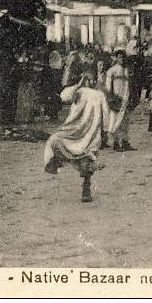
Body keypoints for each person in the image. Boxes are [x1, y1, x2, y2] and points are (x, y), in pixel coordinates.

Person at [43, 66, 110, 203]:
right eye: (87, 79)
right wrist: (79, 84)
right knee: (55, 139)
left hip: (90, 132)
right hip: (74, 130)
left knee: (88, 158)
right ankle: (55, 160)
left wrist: (105, 130)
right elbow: (64, 97)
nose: (90, 82)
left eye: (92, 79)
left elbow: (105, 113)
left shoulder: (99, 94)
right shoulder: (78, 91)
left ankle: (86, 187)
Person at [105, 49, 135, 151]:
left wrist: (130, 97)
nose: (122, 59)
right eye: (119, 57)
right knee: (116, 121)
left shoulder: (127, 70)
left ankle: (125, 142)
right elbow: (108, 87)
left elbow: (130, 84)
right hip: (117, 99)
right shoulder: (112, 70)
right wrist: (111, 98)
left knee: (125, 121)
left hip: (125, 98)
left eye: (123, 57)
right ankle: (116, 142)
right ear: (116, 58)